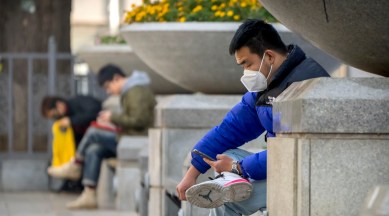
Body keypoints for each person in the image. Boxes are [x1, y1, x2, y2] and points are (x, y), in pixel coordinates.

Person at [176, 19, 330, 215]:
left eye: (247, 64)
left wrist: (238, 168)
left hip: (306, 177)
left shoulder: (305, 87)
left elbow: (291, 153)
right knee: (226, 157)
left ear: (269, 57)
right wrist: (192, 173)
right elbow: (229, 130)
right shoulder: (267, 87)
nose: (245, 73)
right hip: (278, 167)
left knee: (226, 199)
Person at [48, 64, 157, 209]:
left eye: (108, 86)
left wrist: (113, 117)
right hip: (129, 136)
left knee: (93, 132)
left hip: (136, 139)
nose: (108, 91)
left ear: (116, 78)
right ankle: (89, 194)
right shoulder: (131, 90)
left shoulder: (136, 91)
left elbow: (139, 120)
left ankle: (75, 164)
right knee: (94, 149)